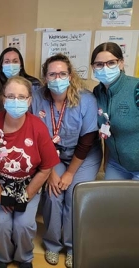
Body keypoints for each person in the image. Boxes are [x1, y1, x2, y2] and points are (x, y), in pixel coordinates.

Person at [0, 76, 60, 268]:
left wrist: (27, 194)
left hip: (28, 183)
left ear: (29, 101)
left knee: (23, 224)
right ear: (3, 99)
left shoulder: (38, 128)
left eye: (22, 97)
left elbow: (47, 166)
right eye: (11, 96)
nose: (16, 101)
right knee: (1, 223)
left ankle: (24, 257)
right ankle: (3, 257)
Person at [31, 54, 102, 268]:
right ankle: (53, 244)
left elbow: (87, 140)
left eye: (62, 73)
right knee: (53, 194)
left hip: (84, 156)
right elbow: (35, 136)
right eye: (52, 74)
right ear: (45, 78)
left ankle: (73, 246)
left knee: (74, 194)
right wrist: (50, 171)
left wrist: (69, 173)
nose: (57, 77)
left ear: (70, 76)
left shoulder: (85, 99)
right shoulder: (36, 98)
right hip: (52, 155)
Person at [91, 42, 139, 180]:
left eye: (111, 63)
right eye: (99, 64)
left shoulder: (136, 88)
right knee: (111, 200)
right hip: (117, 164)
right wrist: (106, 162)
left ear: (121, 63)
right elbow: (107, 129)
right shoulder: (97, 92)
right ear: (93, 68)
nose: (105, 68)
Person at [0, 47, 41, 116]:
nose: (11, 65)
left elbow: (41, 112)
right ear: (1, 66)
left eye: (15, 61)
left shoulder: (34, 86)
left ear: (21, 65)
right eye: (7, 62)